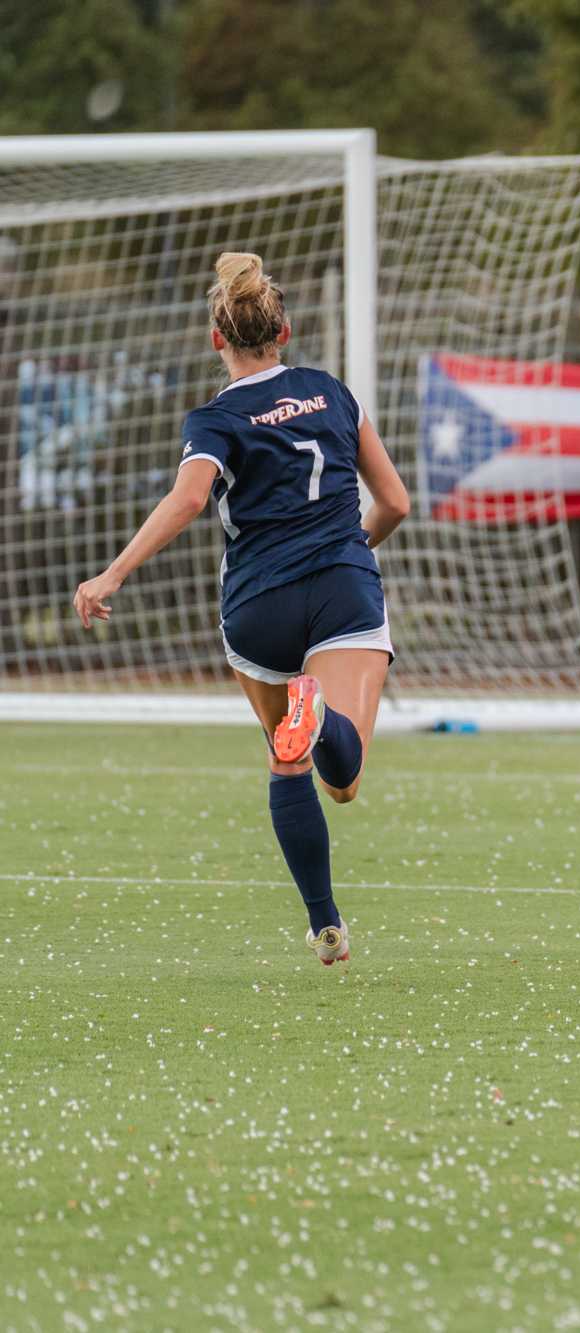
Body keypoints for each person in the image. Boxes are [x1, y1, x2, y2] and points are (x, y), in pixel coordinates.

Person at [73, 251, 411, 966]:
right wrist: (352, 552)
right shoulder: (332, 393)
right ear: (282, 330)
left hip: (257, 606)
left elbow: (191, 497)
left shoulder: (216, 417)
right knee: (342, 780)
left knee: (285, 762)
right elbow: (396, 503)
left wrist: (112, 573)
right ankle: (318, 714)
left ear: (216, 339)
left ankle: (327, 926)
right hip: (341, 587)